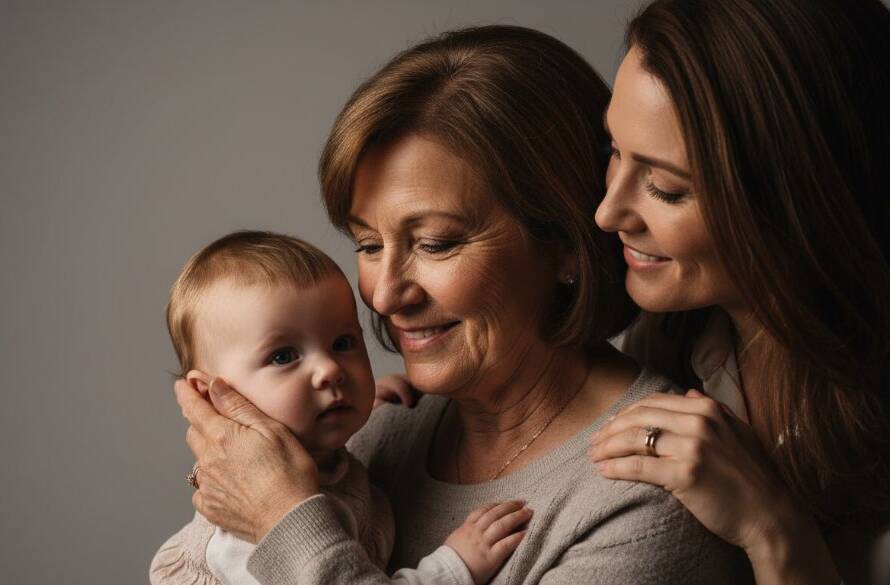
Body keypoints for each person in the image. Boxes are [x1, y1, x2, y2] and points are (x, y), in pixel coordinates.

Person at [171, 26, 752, 585]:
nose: (385, 293)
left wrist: (280, 518)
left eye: (436, 243)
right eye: (369, 245)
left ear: (566, 245)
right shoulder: (371, 427)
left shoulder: (645, 497)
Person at [589, 0, 890, 584]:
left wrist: (772, 530)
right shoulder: (674, 344)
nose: (608, 212)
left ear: (801, 198)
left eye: (666, 187)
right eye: (613, 153)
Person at [150, 231, 531, 585]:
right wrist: (452, 567)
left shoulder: (326, 463)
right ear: (210, 394)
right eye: (283, 356)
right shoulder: (242, 542)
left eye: (343, 343)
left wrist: (370, 408)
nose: (331, 370)